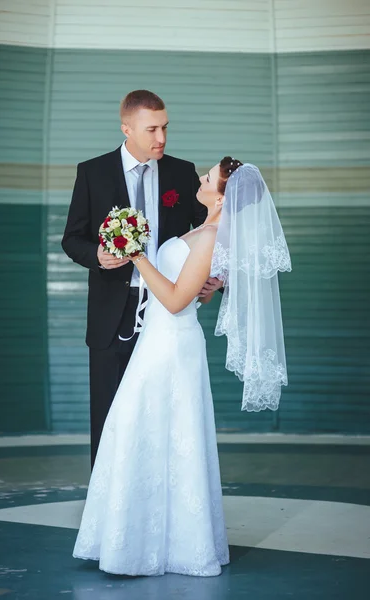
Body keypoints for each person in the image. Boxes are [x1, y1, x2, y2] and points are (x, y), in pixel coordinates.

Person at [73, 158, 292, 577]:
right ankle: (134, 538)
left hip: (171, 344)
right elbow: (195, 285)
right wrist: (206, 285)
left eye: (208, 178)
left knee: (162, 434)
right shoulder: (205, 229)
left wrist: (136, 257)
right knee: (145, 433)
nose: (200, 179)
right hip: (157, 341)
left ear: (222, 196)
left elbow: (175, 300)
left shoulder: (211, 236)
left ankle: (165, 545)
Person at [61, 90, 221, 469]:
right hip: (111, 314)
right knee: (109, 414)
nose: (161, 138)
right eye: (152, 129)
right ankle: (107, 511)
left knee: (163, 411)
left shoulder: (183, 173)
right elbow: (72, 238)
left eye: (165, 127)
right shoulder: (92, 172)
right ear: (127, 128)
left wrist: (217, 280)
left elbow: (209, 235)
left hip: (170, 314)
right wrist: (96, 256)